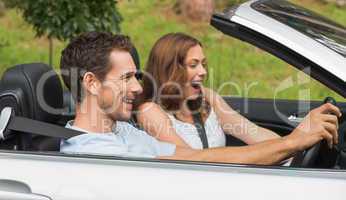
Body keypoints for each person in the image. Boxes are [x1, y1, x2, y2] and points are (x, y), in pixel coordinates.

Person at [59, 31, 340, 165]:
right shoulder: (100, 155)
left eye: (136, 76)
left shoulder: (119, 131)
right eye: (126, 78)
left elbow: (193, 156)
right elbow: (197, 164)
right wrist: (293, 142)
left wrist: (290, 145)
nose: (136, 87)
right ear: (92, 83)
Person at [137, 32, 283, 149]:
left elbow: (253, 132)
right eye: (193, 65)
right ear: (170, 69)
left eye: (203, 64)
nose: (203, 71)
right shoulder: (150, 111)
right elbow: (191, 161)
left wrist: (291, 146)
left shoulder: (207, 97)